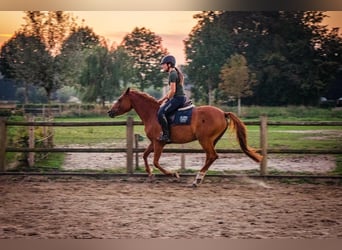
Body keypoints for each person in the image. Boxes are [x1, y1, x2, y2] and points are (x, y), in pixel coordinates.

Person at [157, 55, 186, 143]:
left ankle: (166, 136)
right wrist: (166, 99)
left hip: (178, 98)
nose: (162, 66)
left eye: (163, 64)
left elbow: (173, 91)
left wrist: (163, 100)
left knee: (161, 112)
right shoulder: (174, 73)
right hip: (179, 98)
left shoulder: (172, 74)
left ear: (169, 64)